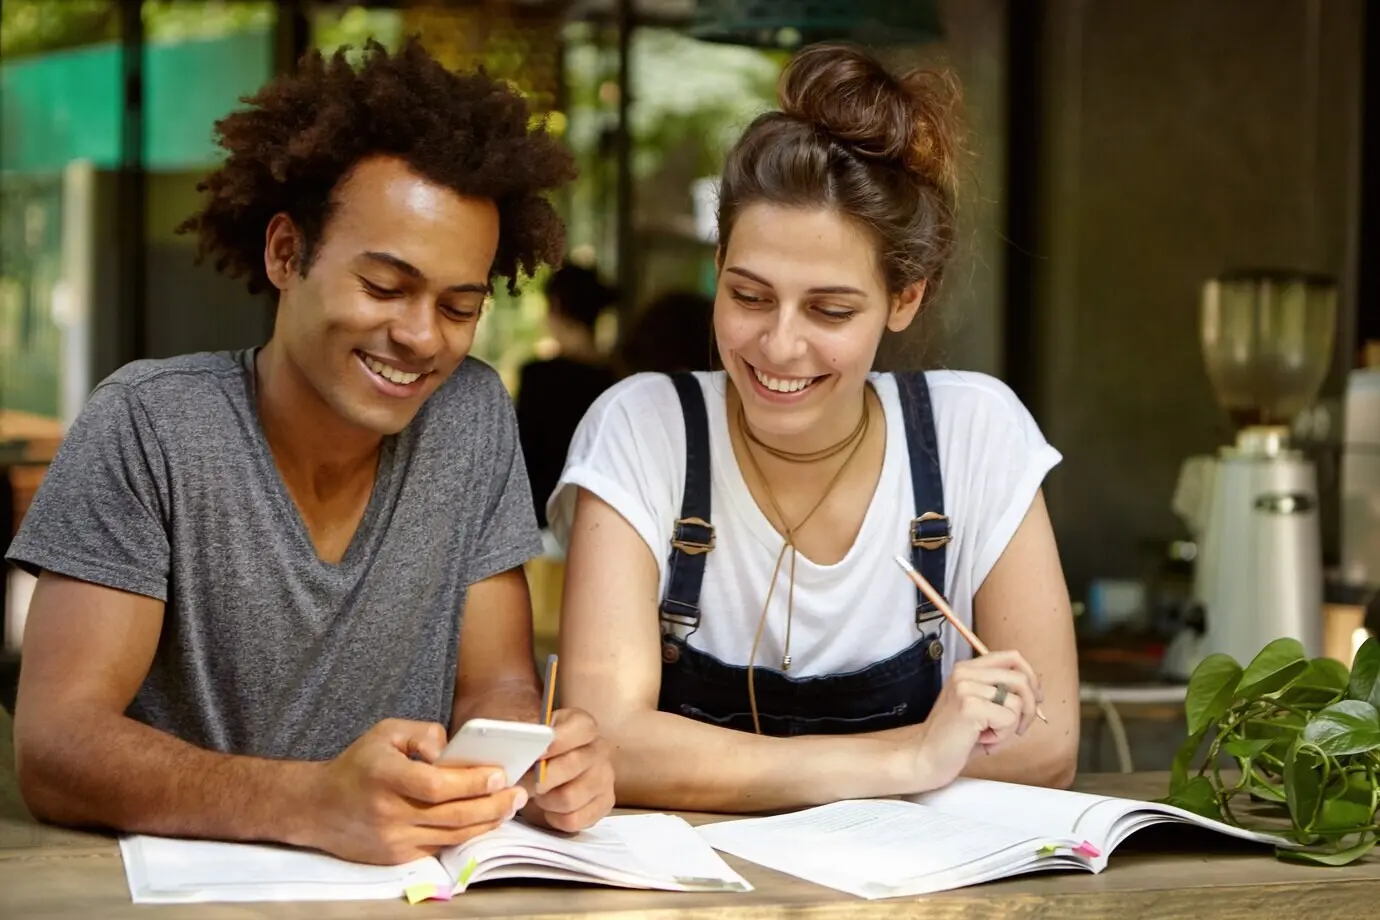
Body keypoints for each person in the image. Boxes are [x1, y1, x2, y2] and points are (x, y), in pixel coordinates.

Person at [7, 38, 614, 865]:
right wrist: (309, 801)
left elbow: (496, 682)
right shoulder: (150, 425)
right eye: (384, 287)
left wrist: (530, 752)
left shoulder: (471, 416)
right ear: (286, 253)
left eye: (459, 305)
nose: (420, 337)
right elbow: (56, 747)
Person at [548, 42, 1080, 813]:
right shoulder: (643, 429)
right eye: (749, 296)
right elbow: (605, 741)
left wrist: (707, 764)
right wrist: (913, 757)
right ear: (720, 261)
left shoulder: (974, 435)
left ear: (904, 299)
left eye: (830, 310)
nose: (779, 346)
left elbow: (1047, 739)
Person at [515, 264, 618, 529]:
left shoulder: (538, 377)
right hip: (600, 526)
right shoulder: (618, 379)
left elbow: (524, 461)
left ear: (555, 306)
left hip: (544, 527)